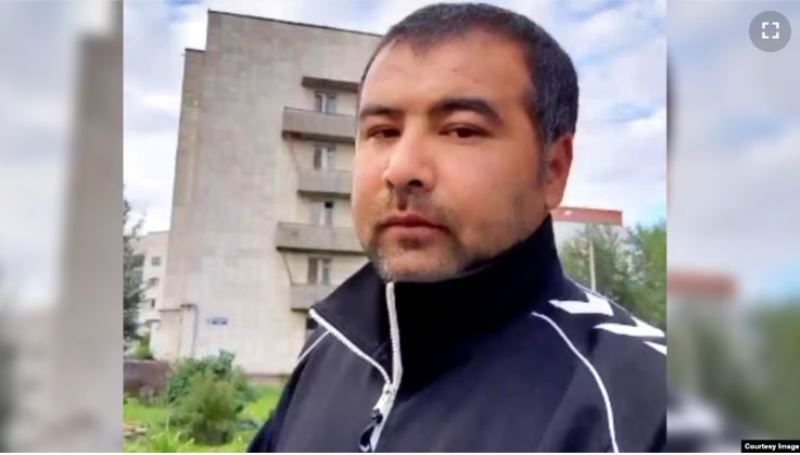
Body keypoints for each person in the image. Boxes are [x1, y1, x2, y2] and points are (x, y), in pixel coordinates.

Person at [249, 2, 665, 452]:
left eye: (461, 130)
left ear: (553, 170)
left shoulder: (648, 407)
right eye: (383, 131)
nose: (401, 169)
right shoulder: (330, 350)